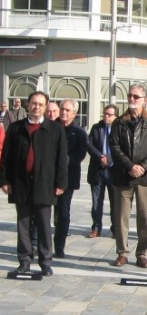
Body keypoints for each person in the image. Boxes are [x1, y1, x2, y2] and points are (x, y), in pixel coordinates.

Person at [0, 90, 68, 275]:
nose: (36, 107)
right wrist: (4, 180)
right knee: (23, 224)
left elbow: (62, 158)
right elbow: (6, 157)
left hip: (44, 184)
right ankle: (24, 260)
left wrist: (61, 183)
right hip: (21, 183)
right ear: (27, 105)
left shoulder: (55, 129)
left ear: (46, 107)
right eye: (33, 103)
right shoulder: (15, 128)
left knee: (44, 224)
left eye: (40, 104)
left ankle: (45, 261)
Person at [109, 83, 147, 268]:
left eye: (136, 97)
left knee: (143, 217)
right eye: (130, 96)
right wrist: (130, 166)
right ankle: (122, 252)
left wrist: (142, 167)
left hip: (145, 178)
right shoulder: (119, 123)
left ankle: (141, 253)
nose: (132, 99)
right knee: (121, 216)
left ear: (145, 100)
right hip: (123, 176)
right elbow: (115, 147)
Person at [54, 99, 88, 258]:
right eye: (62, 109)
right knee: (40, 211)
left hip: (68, 177)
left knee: (63, 212)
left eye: (68, 110)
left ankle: (59, 246)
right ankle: (36, 243)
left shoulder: (79, 132)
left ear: (74, 113)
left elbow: (81, 154)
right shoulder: (51, 127)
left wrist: (64, 161)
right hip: (48, 176)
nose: (64, 112)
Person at [87, 105, 118, 238]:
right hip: (97, 169)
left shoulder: (119, 129)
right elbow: (89, 145)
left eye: (110, 114)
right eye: (105, 114)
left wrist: (110, 159)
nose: (106, 116)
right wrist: (101, 157)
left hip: (114, 171)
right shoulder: (96, 128)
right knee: (96, 202)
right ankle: (96, 228)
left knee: (115, 203)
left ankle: (115, 229)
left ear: (115, 116)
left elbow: (122, 148)